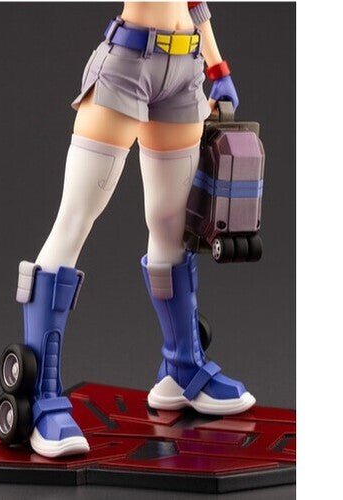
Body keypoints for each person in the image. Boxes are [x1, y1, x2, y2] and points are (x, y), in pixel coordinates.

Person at [14, 2, 255, 458]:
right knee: (75, 218)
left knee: (171, 224)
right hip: (128, 63)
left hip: (185, 68)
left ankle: (182, 368)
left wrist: (216, 66)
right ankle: (41, 394)